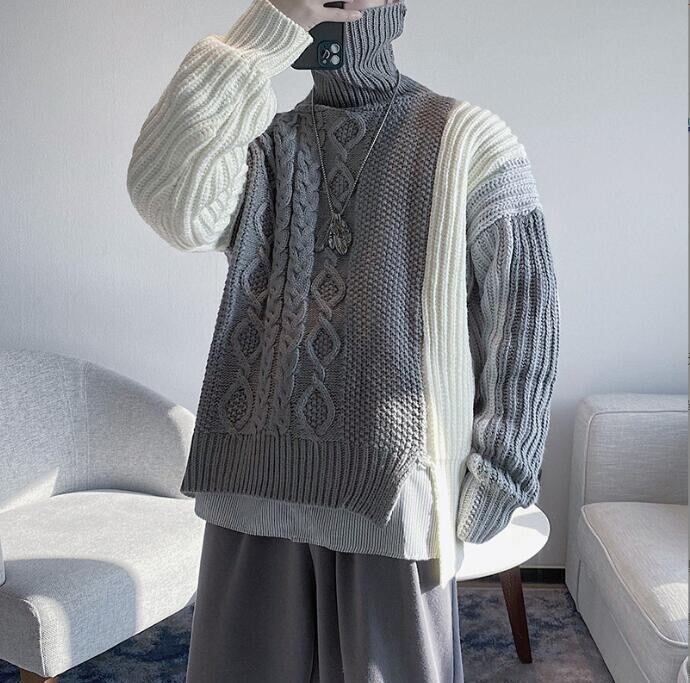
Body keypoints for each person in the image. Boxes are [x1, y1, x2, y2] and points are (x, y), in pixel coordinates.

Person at [126, 0, 560, 680]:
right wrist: (268, 27)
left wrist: (501, 471)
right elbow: (164, 195)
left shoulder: (467, 138)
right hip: (253, 488)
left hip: (394, 503)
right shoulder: (266, 147)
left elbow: (526, 313)